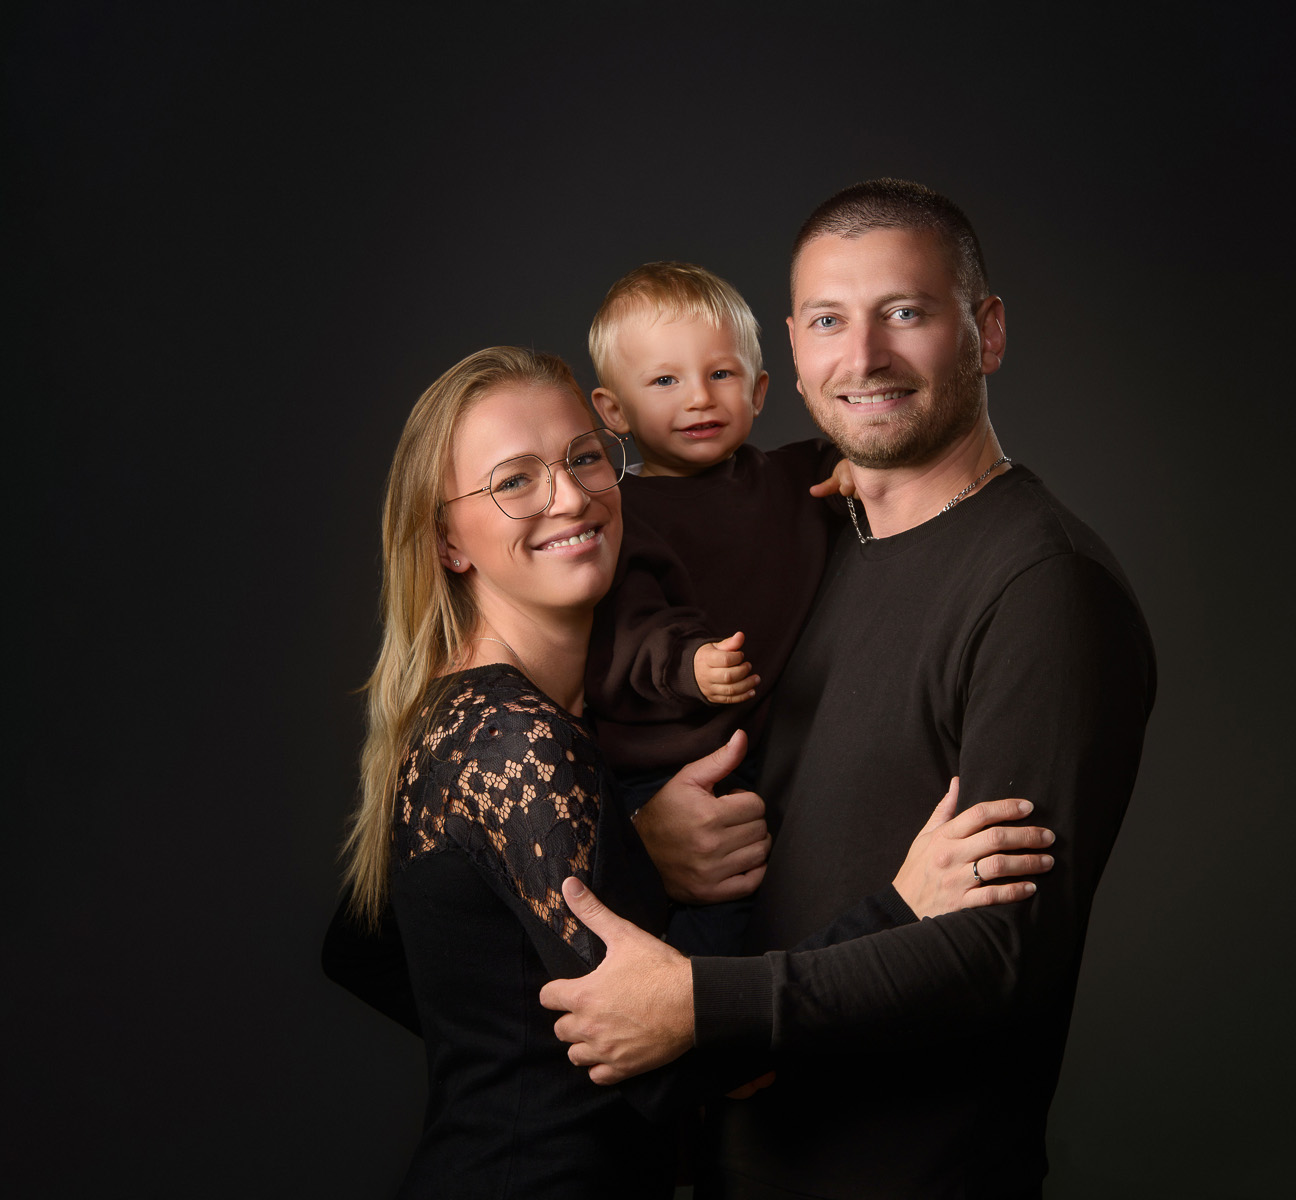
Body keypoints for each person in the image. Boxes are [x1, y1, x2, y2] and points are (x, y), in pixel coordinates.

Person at [322, 344, 1059, 1198]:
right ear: (450, 540)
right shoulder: (516, 744)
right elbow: (684, 1067)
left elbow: (362, 948)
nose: (570, 497)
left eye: (585, 457)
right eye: (513, 481)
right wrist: (904, 907)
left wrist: (619, 866)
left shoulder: (482, 715)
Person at [541, 180, 1157, 1199]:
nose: (862, 357)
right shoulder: (813, 543)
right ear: (793, 345)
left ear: (987, 332)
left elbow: (1001, 956)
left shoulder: (1043, 588)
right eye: (831, 319)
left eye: (905, 313)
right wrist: (646, 848)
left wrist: (706, 1006)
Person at [582, 261, 843, 952]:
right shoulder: (622, 513)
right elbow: (630, 626)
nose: (698, 397)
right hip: (669, 760)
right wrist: (689, 664)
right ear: (614, 411)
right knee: (716, 910)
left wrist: (860, 469)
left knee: (793, 903)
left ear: (758, 390)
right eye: (665, 381)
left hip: (766, 749)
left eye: (720, 375)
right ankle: (701, 1036)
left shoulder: (796, 479)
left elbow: (855, 454)